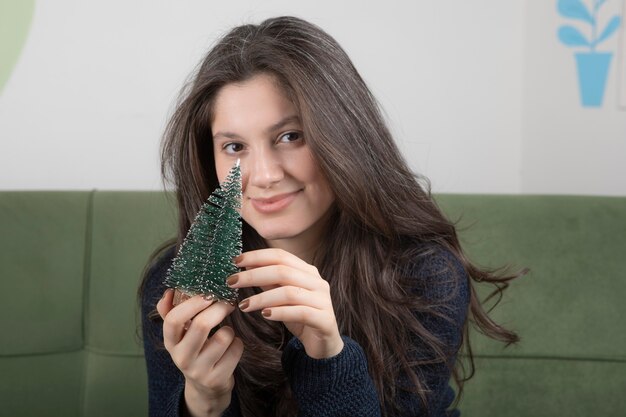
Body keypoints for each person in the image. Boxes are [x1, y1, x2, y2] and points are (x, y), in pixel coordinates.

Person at [139, 15, 521, 417]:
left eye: (290, 137)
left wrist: (329, 358)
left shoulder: (424, 275)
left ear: (341, 137)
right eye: (234, 147)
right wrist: (203, 401)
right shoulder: (176, 287)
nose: (265, 175)